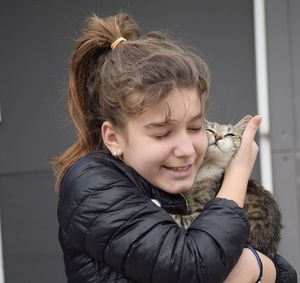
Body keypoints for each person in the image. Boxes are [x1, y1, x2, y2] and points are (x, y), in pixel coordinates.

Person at [55, 13, 297, 283]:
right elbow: (190, 267)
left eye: (195, 128)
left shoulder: (165, 185)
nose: (186, 150)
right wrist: (237, 176)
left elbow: (285, 274)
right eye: (162, 133)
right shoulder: (91, 185)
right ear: (113, 138)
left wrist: (258, 265)